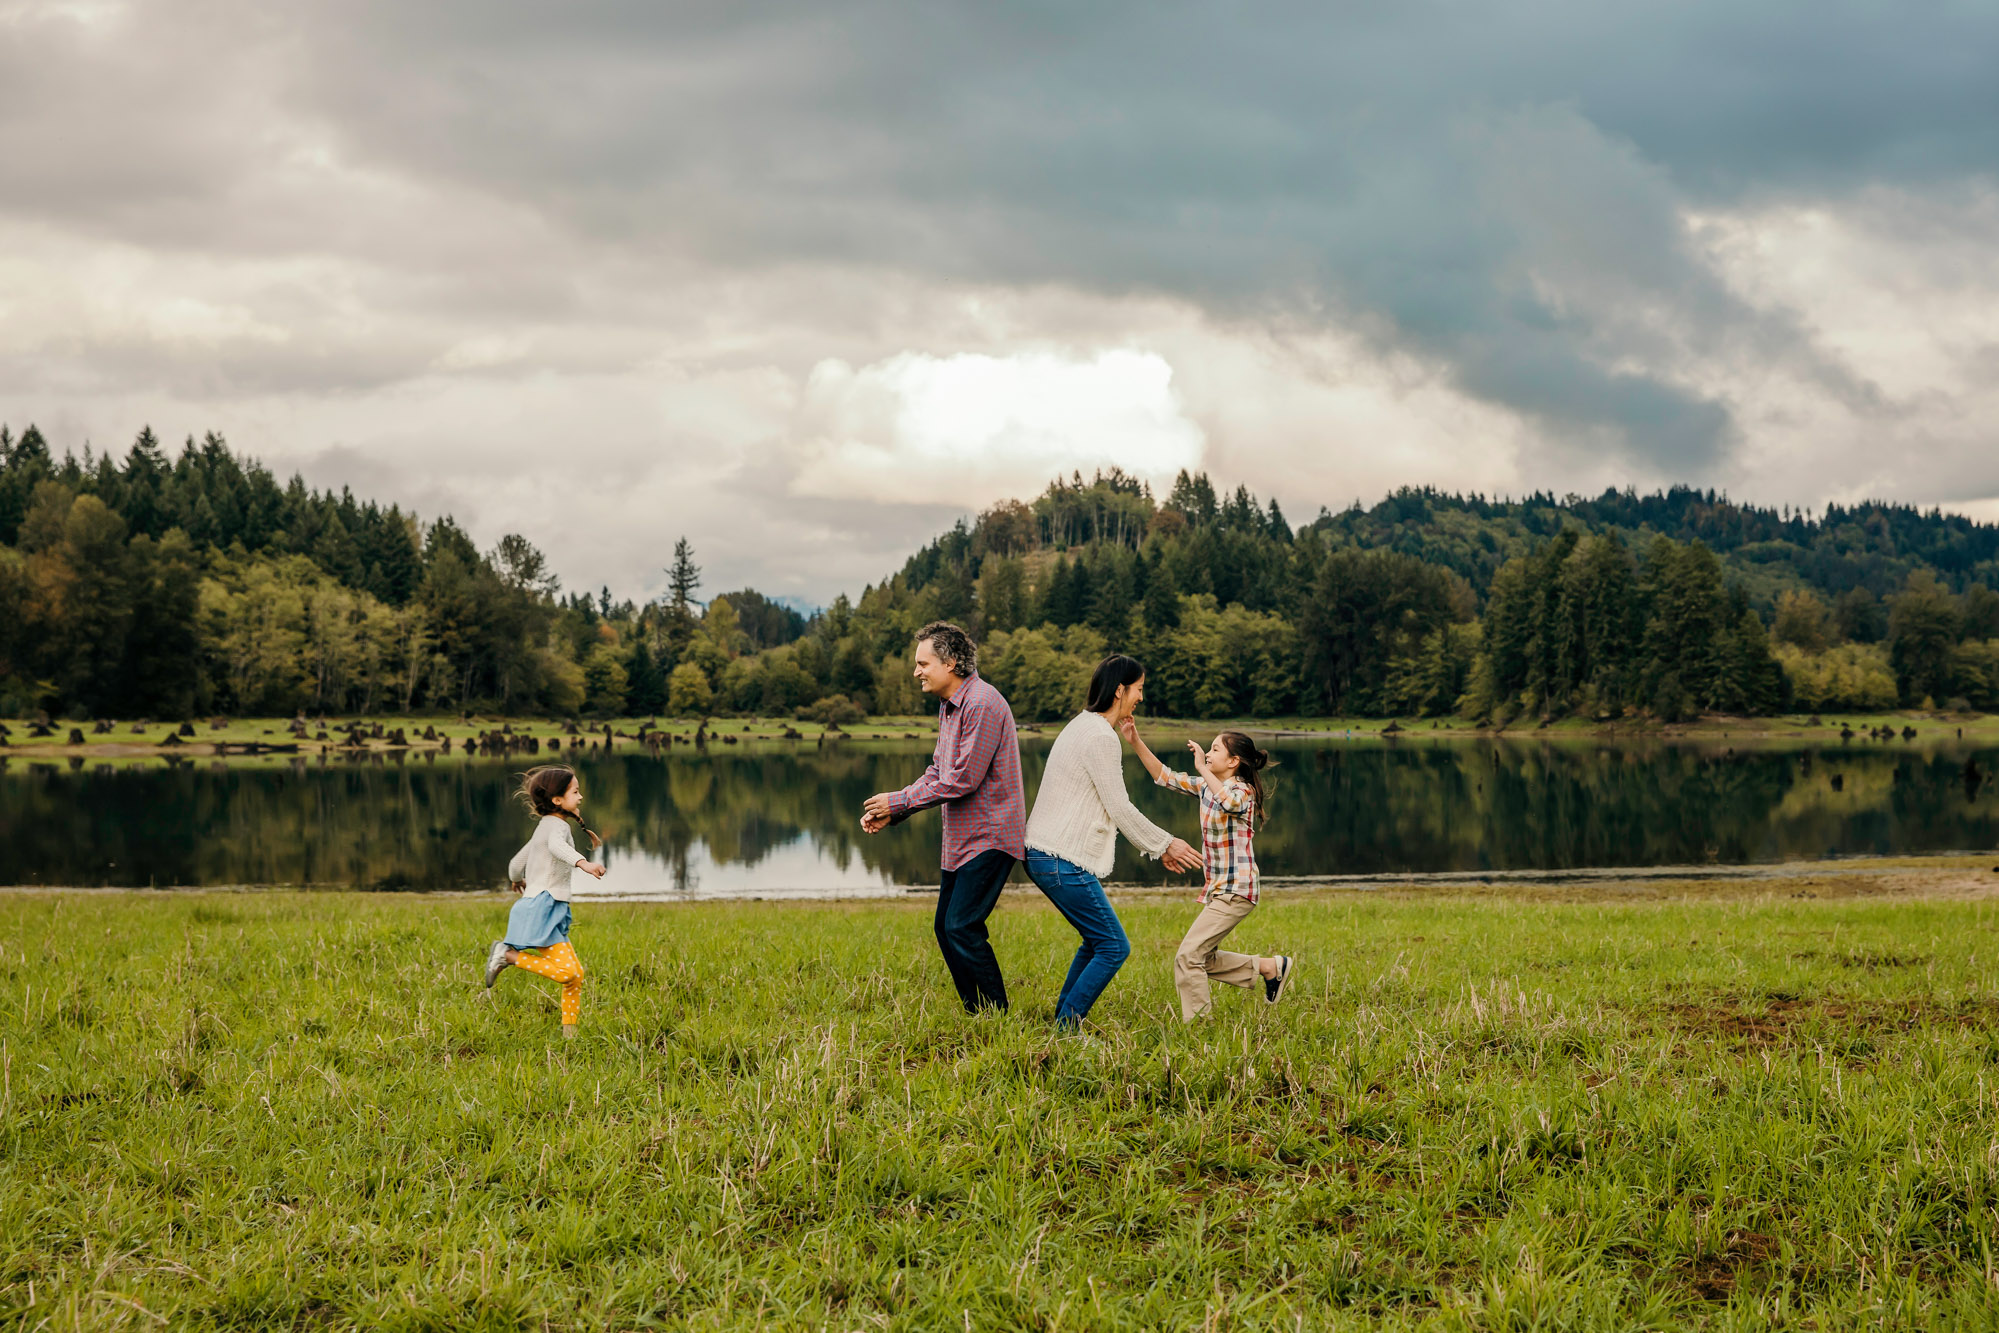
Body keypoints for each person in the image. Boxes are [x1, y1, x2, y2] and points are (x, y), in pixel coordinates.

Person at [1022, 654, 1202, 1027]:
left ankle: (1062, 1021)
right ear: (1120, 689)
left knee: (1096, 941)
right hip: (1058, 857)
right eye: (1138, 689)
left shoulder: (1082, 726)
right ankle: (1067, 1027)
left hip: (1045, 853)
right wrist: (1165, 843)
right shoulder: (1100, 736)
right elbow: (1119, 807)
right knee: (1114, 946)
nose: (1140, 698)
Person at [861, 622, 1026, 1013]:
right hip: (962, 840)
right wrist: (895, 812)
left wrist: (898, 801)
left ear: (950, 662)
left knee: (961, 927)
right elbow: (938, 772)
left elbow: (962, 779)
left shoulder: (982, 703)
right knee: (946, 928)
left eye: (923, 663)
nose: (916, 671)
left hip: (990, 837)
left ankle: (997, 1015)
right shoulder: (949, 706)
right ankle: (978, 1013)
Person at [1121, 724, 1292, 1020]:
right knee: (1202, 958)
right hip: (1220, 890)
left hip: (1238, 889)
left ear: (1233, 761)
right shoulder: (1206, 787)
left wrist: (1203, 768)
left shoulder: (1243, 791)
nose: (1208, 753)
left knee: (1188, 957)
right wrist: (1135, 741)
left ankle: (1199, 1026)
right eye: (1209, 749)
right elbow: (1164, 776)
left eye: (1215, 749)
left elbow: (1229, 802)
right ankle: (1269, 968)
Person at [483, 765, 606, 1039]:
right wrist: (583, 863)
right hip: (544, 907)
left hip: (548, 906)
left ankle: (569, 1038)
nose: (581, 797)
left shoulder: (545, 826)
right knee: (566, 973)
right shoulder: (556, 829)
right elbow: (556, 847)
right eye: (575, 791)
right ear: (557, 800)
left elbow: (516, 863)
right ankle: (508, 955)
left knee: (575, 976)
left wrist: (517, 879)